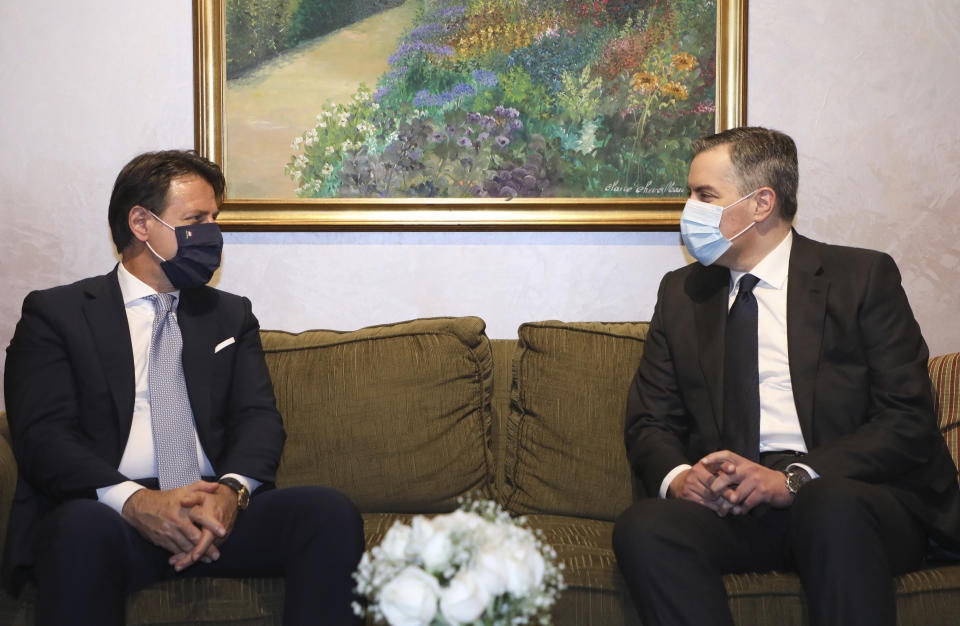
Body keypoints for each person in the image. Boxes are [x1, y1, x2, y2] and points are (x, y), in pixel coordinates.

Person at [612, 127, 960, 626]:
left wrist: (793, 479)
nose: (689, 209)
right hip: (734, 506)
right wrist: (683, 478)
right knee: (645, 526)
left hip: (851, 497)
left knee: (829, 505)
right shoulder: (682, 294)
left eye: (705, 195)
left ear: (762, 203)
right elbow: (649, 422)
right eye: (690, 194)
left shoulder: (860, 278)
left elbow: (906, 421)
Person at [3, 150, 364, 625]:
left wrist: (231, 493)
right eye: (195, 219)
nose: (212, 233)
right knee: (77, 528)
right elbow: (43, 436)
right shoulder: (58, 314)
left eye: (215, 218)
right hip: (111, 514)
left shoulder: (229, 314)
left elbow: (258, 417)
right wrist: (138, 502)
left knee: (327, 512)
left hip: (212, 507)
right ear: (141, 223)